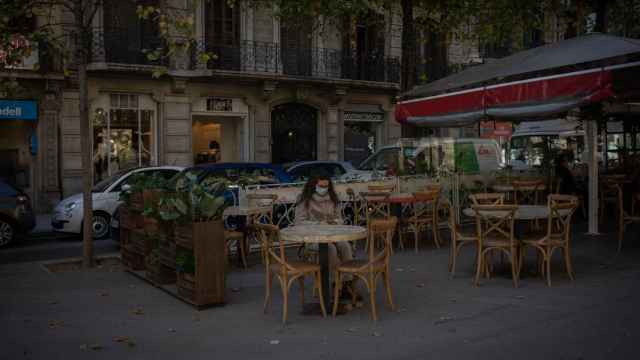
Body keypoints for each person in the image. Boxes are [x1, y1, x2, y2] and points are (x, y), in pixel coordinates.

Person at [294, 176, 355, 293]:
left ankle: (347, 282)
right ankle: (335, 281)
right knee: (330, 249)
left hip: (333, 235)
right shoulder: (304, 199)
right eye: (321, 186)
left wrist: (334, 222)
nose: (324, 189)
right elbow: (298, 223)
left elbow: (340, 219)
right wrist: (318, 224)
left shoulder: (333, 198)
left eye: (326, 186)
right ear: (313, 185)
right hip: (313, 238)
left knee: (345, 246)